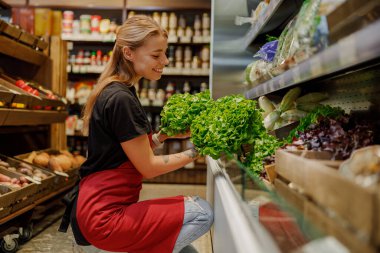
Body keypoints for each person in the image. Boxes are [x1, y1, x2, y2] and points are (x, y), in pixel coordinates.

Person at [61, 15, 214, 253]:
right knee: (203, 212)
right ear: (128, 53)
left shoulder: (116, 89)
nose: (165, 60)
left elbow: (121, 153)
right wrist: (200, 150)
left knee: (186, 249)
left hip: (94, 207)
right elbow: (149, 167)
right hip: (104, 217)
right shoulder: (121, 98)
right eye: (156, 55)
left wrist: (163, 136)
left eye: (165, 53)